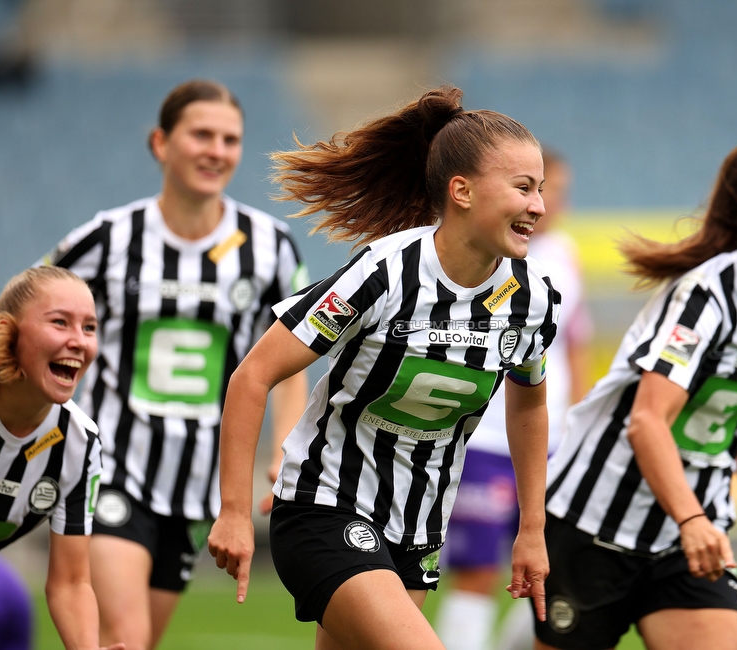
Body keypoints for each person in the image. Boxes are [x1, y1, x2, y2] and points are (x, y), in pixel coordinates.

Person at [207, 83, 559, 650]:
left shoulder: (532, 296)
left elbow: (530, 399)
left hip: (418, 529)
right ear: (462, 190)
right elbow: (252, 375)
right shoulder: (383, 273)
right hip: (325, 507)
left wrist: (533, 529)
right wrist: (233, 512)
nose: (538, 205)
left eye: (539, 189)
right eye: (523, 187)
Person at [40, 79, 309, 650]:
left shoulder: (270, 246)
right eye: (201, 135)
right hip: (111, 469)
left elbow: (292, 358)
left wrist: (285, 440)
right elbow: (29, 306)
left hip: (197, 489)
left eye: (230, 139)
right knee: (125, 638)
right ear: (161, 143)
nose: (217, 150)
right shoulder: (109, 238)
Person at [539, 134, 737, 650]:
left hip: (690, 538)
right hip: (594, 523)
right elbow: (647, 421)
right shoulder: (704, 297)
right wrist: (691, 517)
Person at [435, 148, 592, 650]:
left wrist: (578, 427)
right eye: (534, 189)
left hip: (549, 442)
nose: (548, 203)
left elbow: (575, 345)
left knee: (555, 572)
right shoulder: (487, 252)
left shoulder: (566, 256)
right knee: (478, 573)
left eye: (555, 191)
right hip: (483, 439)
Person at [0, 266, 122, 650]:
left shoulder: (79, 445)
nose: (78, 341)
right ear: (7, 330)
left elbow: (70, 582)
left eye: (89, 328)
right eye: (60, 323)